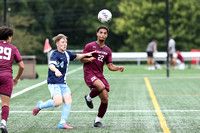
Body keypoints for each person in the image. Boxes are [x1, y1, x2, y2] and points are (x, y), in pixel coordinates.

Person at [33, 34, 95, 129]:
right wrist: (56, 70)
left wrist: (86, 55)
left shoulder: (67, 53)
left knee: (68, 100)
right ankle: (40, 105)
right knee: (57, 103)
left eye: (66, 42)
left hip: (63, 83)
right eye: (62, 42)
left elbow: (76, 56)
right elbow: (51, 65)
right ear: (57, 43)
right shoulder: (54, 54)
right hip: (54, 82)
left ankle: (62, 123)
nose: (65, 44)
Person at [81, 25, 124, 127]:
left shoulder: (107, 50)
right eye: (101, 32)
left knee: (105, 98)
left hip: (99, 75)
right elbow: (82, 59)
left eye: (104, 33)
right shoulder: (89, 46)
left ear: (107, 35)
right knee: (101, 86)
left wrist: (118, 68)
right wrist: (88, 59)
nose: (102, 35)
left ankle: (97, 121)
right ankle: (88, 98)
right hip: (89, 73)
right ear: (97, 34)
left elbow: (110, 66)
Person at [0, 26, 24, 133]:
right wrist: (17, 78)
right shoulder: (13, 48)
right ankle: (3, 123)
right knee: (5, 103)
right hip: (6, 77)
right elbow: (22, 66)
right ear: (9, 37)